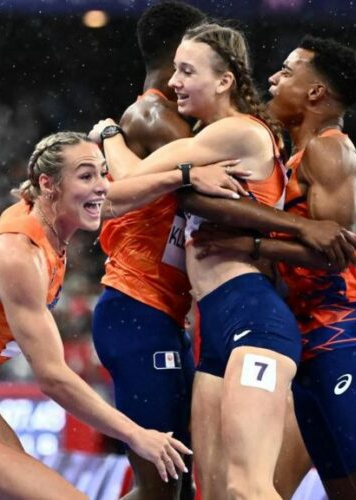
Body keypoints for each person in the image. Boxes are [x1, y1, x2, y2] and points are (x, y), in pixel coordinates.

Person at [89, 23, 337, 498]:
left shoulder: (237, 133)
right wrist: (182, 174)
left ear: (224, 81)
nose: (174, 82)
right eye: (175, 69)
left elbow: (122, 192)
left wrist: (108, 135)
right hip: (213, 332)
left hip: (253, 317)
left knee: (247, 489)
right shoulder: (214, 135)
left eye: (187, 71)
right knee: (215, 492)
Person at [0, 131, 191, 499]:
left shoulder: (45, 214)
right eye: (87, 176)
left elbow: (112, 200)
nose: (102, 186)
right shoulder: (18, 256)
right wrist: (136, 435)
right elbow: (53, 378)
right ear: (48, 185)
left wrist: (184, 176)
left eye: (102, 172)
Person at [189, 36, 356, 498]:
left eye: (287, 71)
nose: (273, 78)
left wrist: (251, 243)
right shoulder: (293, 156)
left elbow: (335, 250)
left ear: (315, 93)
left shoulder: (331, 150)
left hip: (344, 330)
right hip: (311, 338)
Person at [91, 3, 206, 498]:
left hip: (160, 314)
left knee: (171, 485)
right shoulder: (153, 115)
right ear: (181, 50)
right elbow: (217, 179)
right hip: (136, 311)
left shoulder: (161, 118)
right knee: (158, 488)